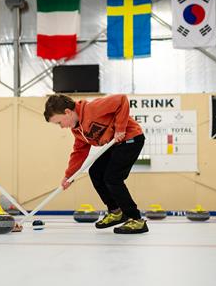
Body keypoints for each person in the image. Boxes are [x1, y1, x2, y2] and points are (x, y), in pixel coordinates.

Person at [43, 93, 148, 234]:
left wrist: (121, 128)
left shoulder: (92, 109)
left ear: (67, 112)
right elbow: (79, 152)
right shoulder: (77, 130)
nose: (61, 127)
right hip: (115, 144)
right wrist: (69, 176)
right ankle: (116, 212)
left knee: (112, 178)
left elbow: (121, 100)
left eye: (59, 122)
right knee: (95, 172)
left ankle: (136, 219)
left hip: (131, 139)